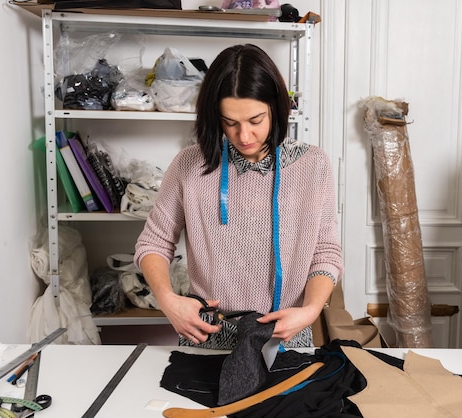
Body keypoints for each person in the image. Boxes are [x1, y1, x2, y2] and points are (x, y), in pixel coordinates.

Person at [134, 44, 343, 349]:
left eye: (256, 120)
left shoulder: (313, 165)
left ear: (276, 108)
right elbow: (153, 242)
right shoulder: (189, 165)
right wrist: (167, 300)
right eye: (230, 123)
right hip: (208, 337)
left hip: (284, 338)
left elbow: (326, 252)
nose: (244, 136)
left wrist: (310, 312)